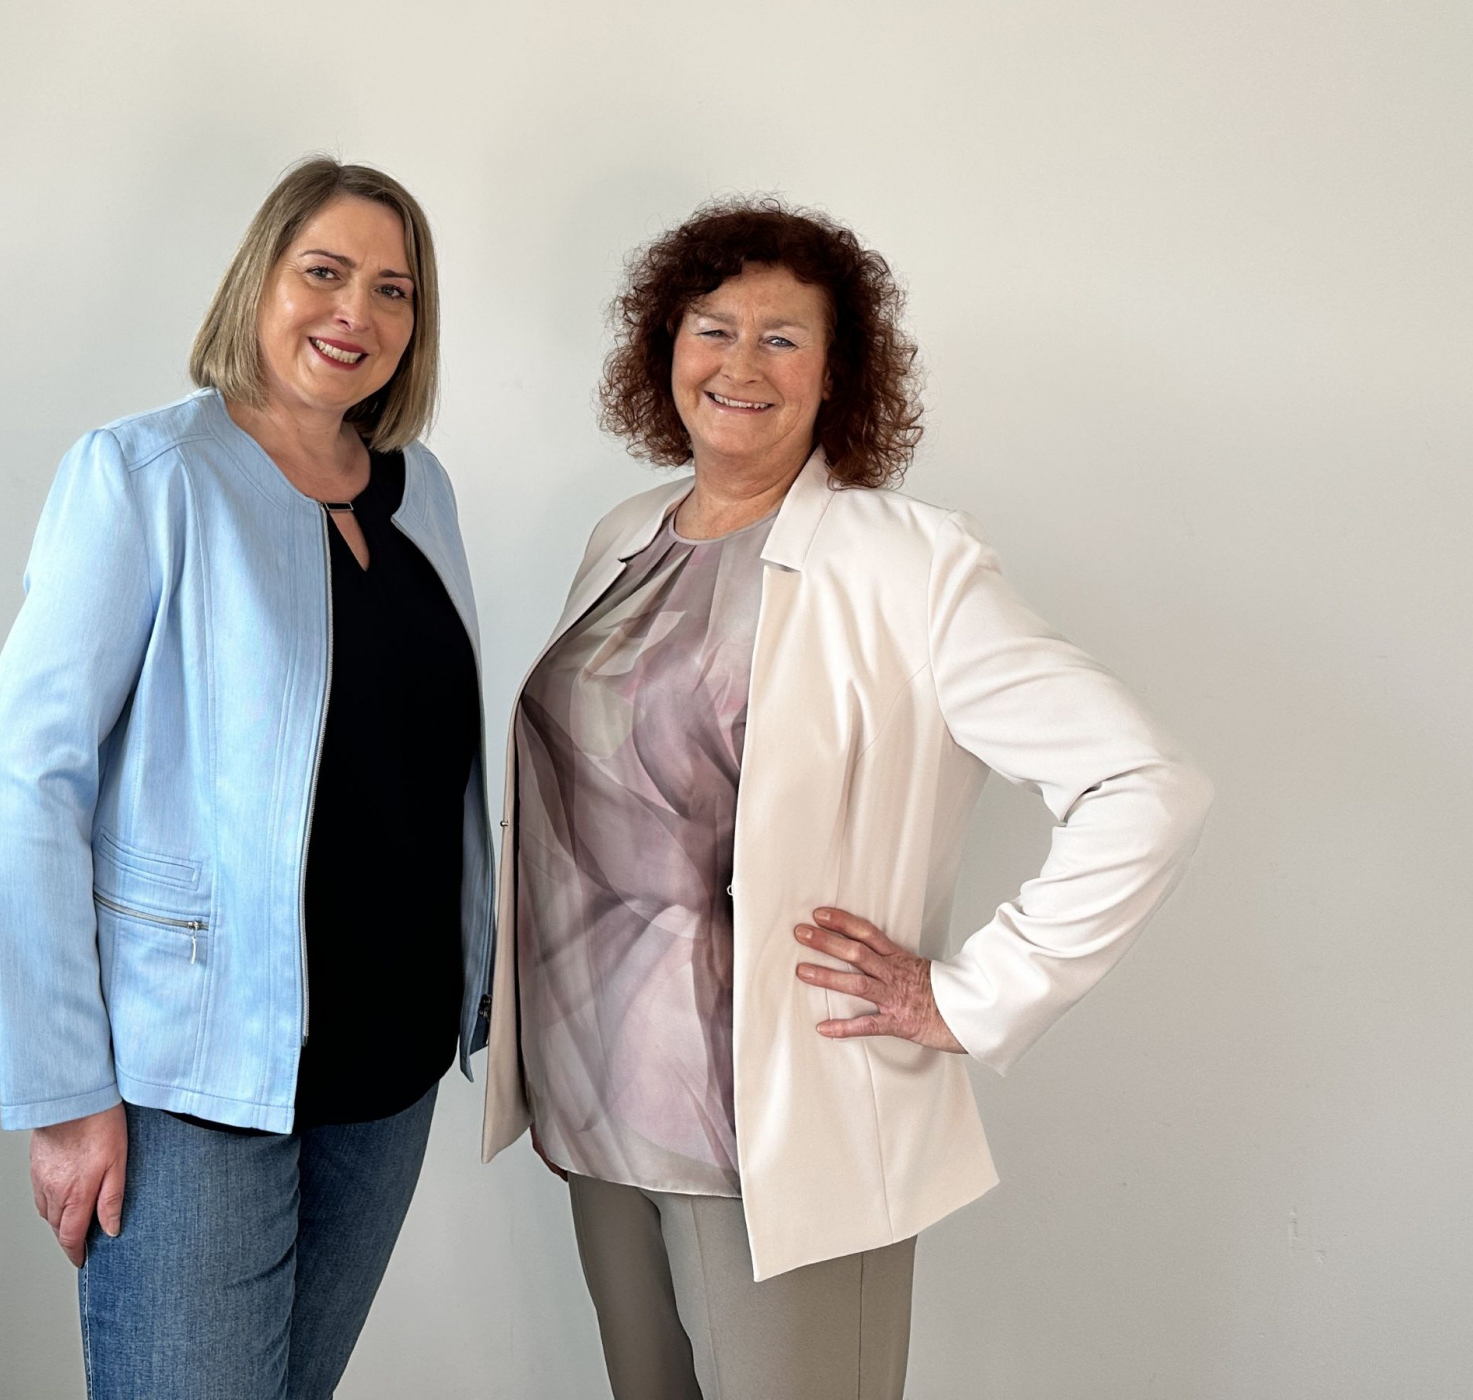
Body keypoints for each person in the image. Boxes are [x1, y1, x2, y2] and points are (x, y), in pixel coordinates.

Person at [481, 198, 1212, 1400]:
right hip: (594, 1111)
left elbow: (1145, 783)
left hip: (782, 1134)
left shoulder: (906, 563)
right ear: (665, 346)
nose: (740, 363)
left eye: (783, 337)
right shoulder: (622, 537)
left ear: (836, 375)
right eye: (713, 327)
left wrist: (970, 994)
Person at [0, 157, 492, 1400]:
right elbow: (23, 771)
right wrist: (66, 1090)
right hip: (196, 1076)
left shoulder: (422, 492)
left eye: (393, 289)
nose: (355, 312)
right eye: (325, 271)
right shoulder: (146, 475)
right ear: (260, 278)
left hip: (389, 1070)